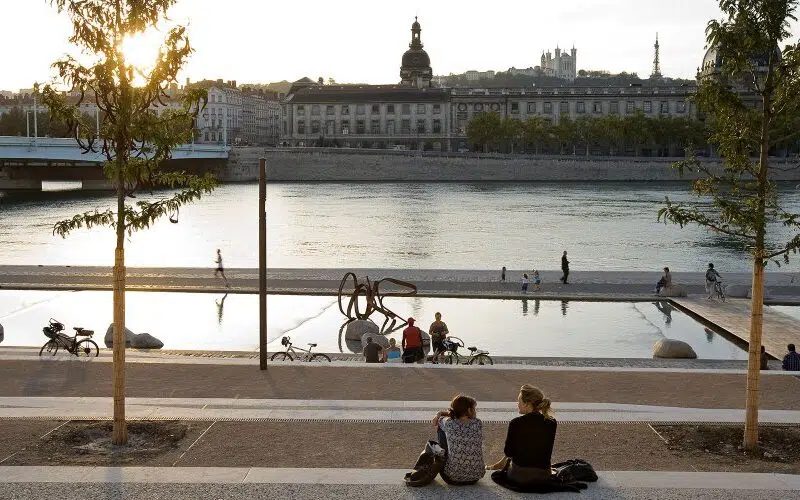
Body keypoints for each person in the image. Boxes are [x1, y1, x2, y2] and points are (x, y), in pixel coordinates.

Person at [487, 385, 557, 485]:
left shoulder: (516, 423)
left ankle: (497, 465)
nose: (517, 404)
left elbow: (508, 452)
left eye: (519, 401)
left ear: (526, 404)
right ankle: (498, 465)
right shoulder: (551, 422)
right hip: (543, 475)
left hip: (519, 476)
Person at [432, 395, 485, 485]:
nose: (475, 411)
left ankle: (442, 456)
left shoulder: (449, 423)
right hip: (475, 477)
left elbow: (435, 422)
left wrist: (440, 413)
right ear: (468, 410)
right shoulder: (478, 423)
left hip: (452, 478)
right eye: (474, 408)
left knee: (441, 429)